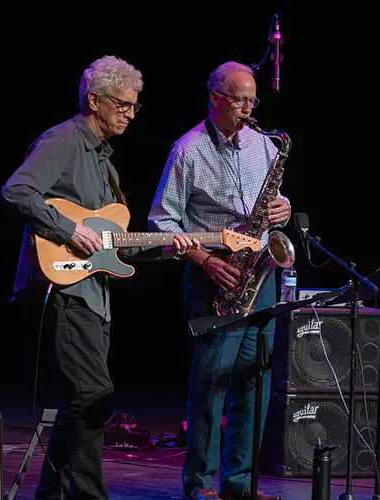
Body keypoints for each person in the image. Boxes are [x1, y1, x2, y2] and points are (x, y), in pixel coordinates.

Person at [1, 55, 200, 500]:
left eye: (135, 106)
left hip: (94, 296)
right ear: (95, 100)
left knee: (78, 402)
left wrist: (172, 246)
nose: (131, 113)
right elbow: (16, 191)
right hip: (64, 290)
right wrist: (70, 229)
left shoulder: (105, 164)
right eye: (123, 104)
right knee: (94, 395)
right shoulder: (63, 141)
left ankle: (51, 493)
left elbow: (112, 243)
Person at [147, 61, 291, 500]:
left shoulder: (263, 146)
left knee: (255, 380)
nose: (249, 109)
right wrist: (204, 260)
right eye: (241, 100)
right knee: (211, 383)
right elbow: (161, 222)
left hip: (259, 272)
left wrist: (283, 208)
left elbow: (275, 198)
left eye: (253, 99)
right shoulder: (187, 150)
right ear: (216, 98)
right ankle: (199, 484)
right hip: (217, 275)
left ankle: (241, 484)